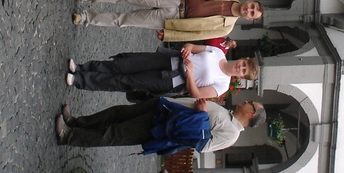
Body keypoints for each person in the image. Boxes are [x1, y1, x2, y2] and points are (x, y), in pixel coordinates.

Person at [71, 0, 263, 42]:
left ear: (249, 19)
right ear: (250, 1)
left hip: (174, 20)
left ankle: (86, 18)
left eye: (252, 13)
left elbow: (197, 35)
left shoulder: (226, 28)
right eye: (252, 6)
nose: (249, 10)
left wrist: (170, 36)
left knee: (126, 20)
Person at [54, 97, 266, 153]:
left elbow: (202, 145)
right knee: (118, 113)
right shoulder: (227, 114)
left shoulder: (231, 134)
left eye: (251, 103)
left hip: (163, 128)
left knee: (114, 134)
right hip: (163, 109)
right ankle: (76, 122)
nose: (246, 101)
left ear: (252, 113)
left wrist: (202, 114)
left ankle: (68, 136)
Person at [64, 46, 258, 99]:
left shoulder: (223, 85)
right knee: (125, 65)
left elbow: (196, 94)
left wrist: (190, 74)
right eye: (244, 64)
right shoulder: (218, 53)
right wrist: (187, 50)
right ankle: (82, 67)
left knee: (125, 81)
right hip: (169, 60)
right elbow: (192, 46)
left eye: (243, 71)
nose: (240, 67)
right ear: (242, 59)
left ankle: (81, 80)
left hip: (171, 80)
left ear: (241, 77)